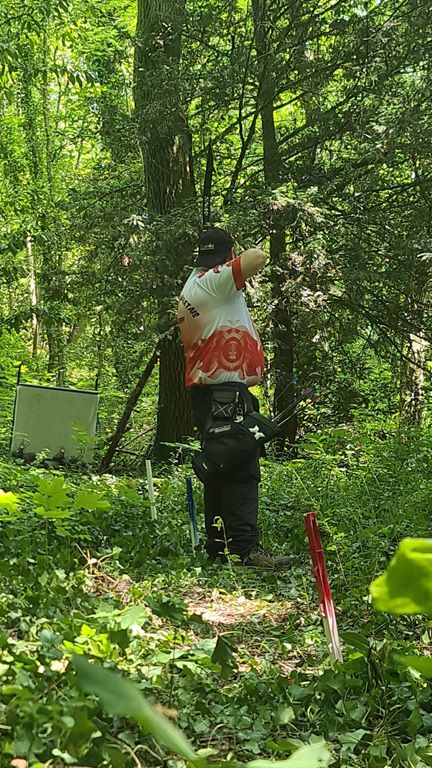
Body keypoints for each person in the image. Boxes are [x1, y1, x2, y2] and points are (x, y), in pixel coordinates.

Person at [177, 227, 290, 570]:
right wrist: (236, 258)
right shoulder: (213, 282)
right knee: (241, 470)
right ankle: (244, 551)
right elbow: (258, 257)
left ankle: (219, 548)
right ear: (226, 256)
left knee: (220, 468)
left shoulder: (194, 286)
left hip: (214, 396)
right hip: (224, 396)